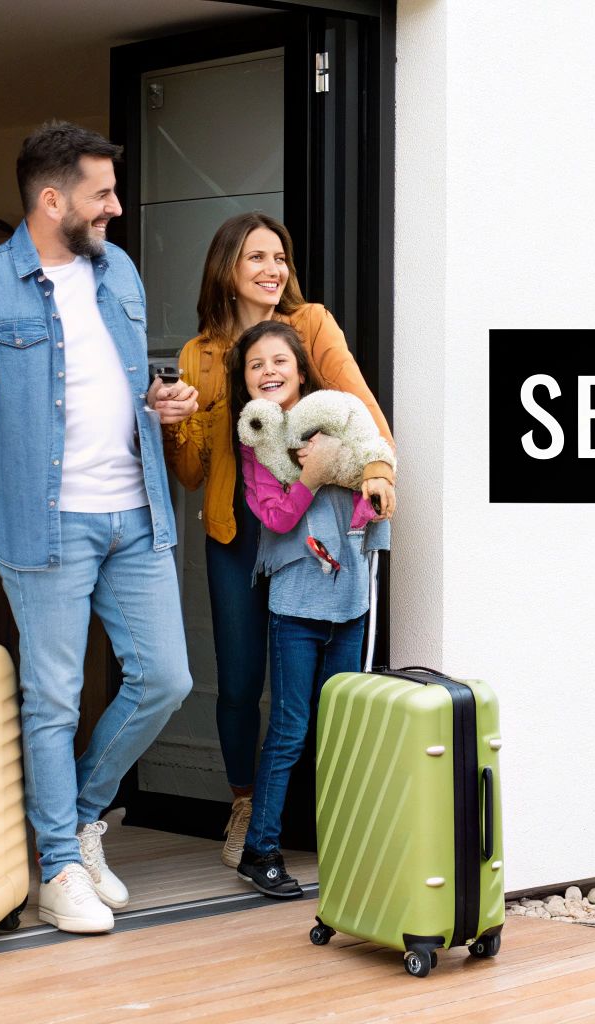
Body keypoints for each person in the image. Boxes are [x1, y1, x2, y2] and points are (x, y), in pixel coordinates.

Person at [0, 120, 200, 934]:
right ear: (52, 197)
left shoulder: (120, 273)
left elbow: (126, 383)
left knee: (165, 677)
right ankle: (59, 868)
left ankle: (77, 821)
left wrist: (164, 402)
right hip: (45, 522)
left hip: (136, 511)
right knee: (54, 698)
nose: (116, 209)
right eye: (102, 194)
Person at [165, 213, 395, 870]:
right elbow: (189, 472)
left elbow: (362, 411)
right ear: (227, 269)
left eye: (280, 258)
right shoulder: (198, 355)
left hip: (309, 536)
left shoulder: (310, 327)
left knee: (322, 687)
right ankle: (246, 808)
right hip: (238, 534)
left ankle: (330, 821)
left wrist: (379, 471)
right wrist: (177, 424)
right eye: (256, 258)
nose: (272, 270)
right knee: (240, 682)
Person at [227, 320, 391, 897]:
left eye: (280, 362)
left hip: (348, 602)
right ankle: (261, 849)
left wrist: (365, 501)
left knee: (342, 729)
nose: (269, 371)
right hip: (295, 605)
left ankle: (343, 848)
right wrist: (310, 477)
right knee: (291, 728)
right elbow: (274, 518)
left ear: (301, 371)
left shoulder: (341, 424)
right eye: (256, 365)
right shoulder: (258, 447)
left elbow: (370, 502)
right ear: (245, 381)